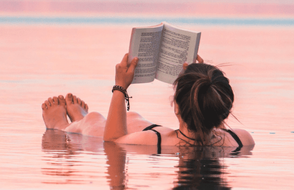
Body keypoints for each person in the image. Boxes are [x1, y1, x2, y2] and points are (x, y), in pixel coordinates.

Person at [42, 53, 254, 152]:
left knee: (96, 121)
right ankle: (80, 118)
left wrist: (120, 88)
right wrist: (199, 81)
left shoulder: (152, 143)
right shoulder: (242, 140)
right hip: (159, 131)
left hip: (159, 136)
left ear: (176, 106)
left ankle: (63, 125)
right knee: (132, 117)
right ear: (225, 110)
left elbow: (113, 139)